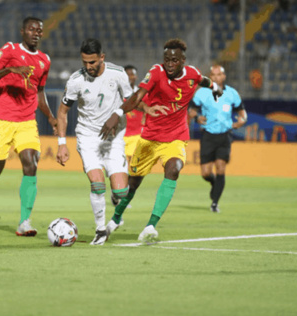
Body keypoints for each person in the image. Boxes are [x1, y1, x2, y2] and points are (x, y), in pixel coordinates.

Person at [100, 38, 222, 243]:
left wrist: (216, 87)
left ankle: (150, 226)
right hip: (149, 138)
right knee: (132, 186)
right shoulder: (156, 72)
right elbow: (138, 95)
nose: (170, 64)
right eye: (167, 59)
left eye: (174, 60)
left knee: (174, 168)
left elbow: (204, 80)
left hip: (176, 137)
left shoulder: (192, 74)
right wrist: (118, 113)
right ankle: (115, 219)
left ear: (183, 60)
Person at [0, 17, 58, 237]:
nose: (36, 33)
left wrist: (50, 117)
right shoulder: (9, 50)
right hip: (1, 118)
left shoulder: (44, 60)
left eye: (39, 30)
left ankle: (24, 221)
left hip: (27, 121)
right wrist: (10, 70)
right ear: (22, 32)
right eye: (31, 29)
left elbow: (39, 93)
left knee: (31, 163)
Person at [56, 39, 133, 245]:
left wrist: (117, 114)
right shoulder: (75, 80)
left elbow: (132, 100)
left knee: (121, 191)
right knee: (97, 184)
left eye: (92, 62)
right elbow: (63, 112)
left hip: (113, 138)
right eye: (84, 62)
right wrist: (62, 143)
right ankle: (100, 229)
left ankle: (116, 198)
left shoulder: (118, 74)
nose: (88, 67)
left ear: (102, 57)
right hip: (88, 137)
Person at [188, 65, 247, 213]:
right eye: (213, 75)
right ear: (210, 77)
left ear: (224, 76)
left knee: (221, 167)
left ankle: (215, 203)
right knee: (205, 173)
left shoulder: (232, 93)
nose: (216, 77)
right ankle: (214, 183)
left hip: (225, 135)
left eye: (218, 74)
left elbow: (241, 111)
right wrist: (197, 117)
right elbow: (191, 110)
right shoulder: (202, 93)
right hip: (208, 134)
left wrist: (242, 120)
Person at [111, 64, 144, 207]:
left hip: (137, 134)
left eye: (133, 74)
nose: (131, 77)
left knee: (132, 167)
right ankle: (118, 191)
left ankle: (122, 194)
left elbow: (147, 109)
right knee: (122, 167)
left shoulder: (141, 93)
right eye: (128, 74)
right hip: (121, 134)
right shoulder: (116, 93)